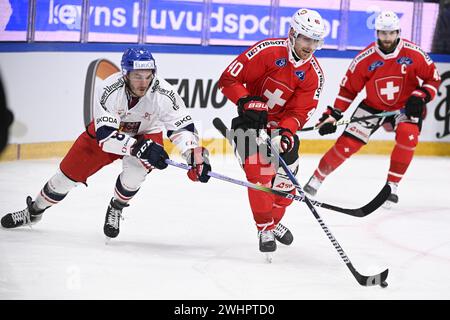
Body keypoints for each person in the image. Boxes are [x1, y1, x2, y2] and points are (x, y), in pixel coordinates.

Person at [1, 47, 212, 238]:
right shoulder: (109, 89)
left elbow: (181, 126)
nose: (143, 83)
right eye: (137, 76)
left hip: (146, 133)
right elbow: (106, 136)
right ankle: (33, 212)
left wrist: (193, 153)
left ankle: (117, 207)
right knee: (64, 178)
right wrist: (138, 148)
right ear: (125, 74)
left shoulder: (164, 92)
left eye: (148, 76)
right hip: (107, 136)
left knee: (135, 174)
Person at [303, 11, 441, 208]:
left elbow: (433, 79)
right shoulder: (365, 58)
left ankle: (391, 187)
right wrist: (333, 115)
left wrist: (420, 97)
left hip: (404, 107)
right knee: (346, 145)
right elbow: (348, 90)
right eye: (383, 33)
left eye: (391, 33)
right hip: (373, 107)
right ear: (377, 32)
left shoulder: (413, 53)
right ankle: (316, 178)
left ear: (398, 32)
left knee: (408, 135)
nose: (387, 37)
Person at [218, 8, 326, 254]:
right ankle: (265, 226)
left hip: (279, 129)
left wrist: (286, 133)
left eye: (315, 41)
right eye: (306, 39)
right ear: (292, 34)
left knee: (287, 185)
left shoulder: (313, 75)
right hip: (249, 124)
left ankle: (274, 220)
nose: (310, 46)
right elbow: (228, 79)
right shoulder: (267, 51)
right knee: (260, 173)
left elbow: (299, 113)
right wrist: (246, 101)